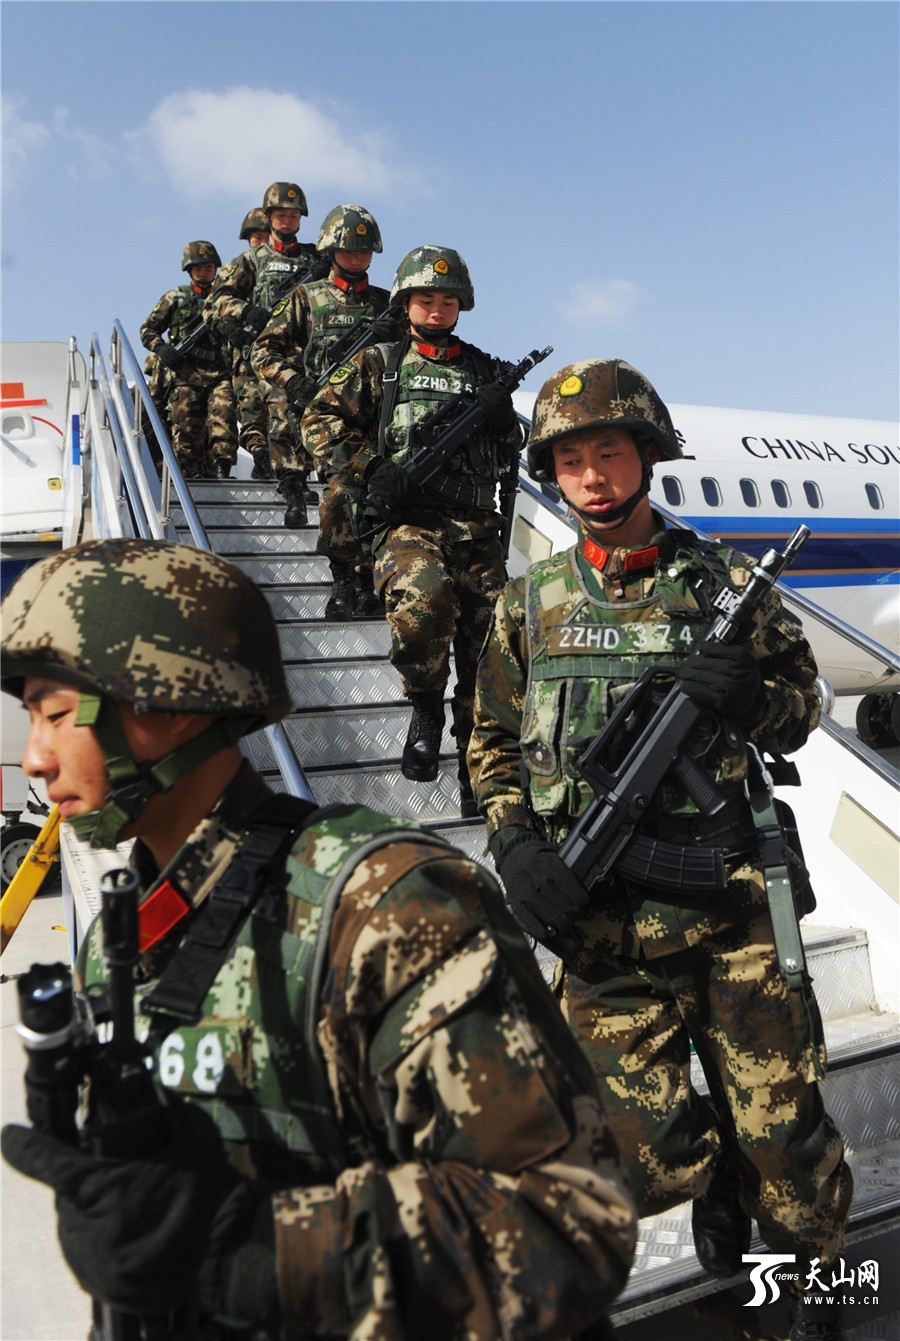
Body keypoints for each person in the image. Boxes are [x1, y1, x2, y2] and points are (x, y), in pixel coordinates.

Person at [0, 536, 637, 1341]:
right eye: (31, 718)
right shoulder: (126, 937)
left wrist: (245, 1248)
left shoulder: (382, 904)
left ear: (171, 702)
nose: (33, 757)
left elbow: (569, 1217)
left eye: (58, 715)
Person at [467, 359, 853, 1341]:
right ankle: (724, 1170)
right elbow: (493, 743)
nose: (591, 477)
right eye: (569, 461)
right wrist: (514, 845)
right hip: (607, 942)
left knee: (792, 1152)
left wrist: (749, 700)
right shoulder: (529, 605)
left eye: (608, 452)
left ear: (646, 458)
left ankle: (805, 1299)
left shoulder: (723, 583)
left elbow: (800, 715)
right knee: (628, 1163)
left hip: (735, 922)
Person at [302, 245, 524, 815]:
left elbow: (507, 451)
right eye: (427, 299)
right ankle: (425, 705)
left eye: (448, 301)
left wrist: (504, 421)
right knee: (424, 601)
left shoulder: (481, 370)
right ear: (406, 301)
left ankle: (479, 768)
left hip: (476, 528)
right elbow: (318, 420)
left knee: (491, 652)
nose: (437, 309)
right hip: (409, 525)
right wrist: (371, 469)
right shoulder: (381, 363)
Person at [253, 204, 401, 618]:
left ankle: (369, 582)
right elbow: (263, 349)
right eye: (348, 250)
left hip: (375, 420)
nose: (356, 258)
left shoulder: (385, 305)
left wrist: (399, 339)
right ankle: (343, 582)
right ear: (331, 250)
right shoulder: (307, 297)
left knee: (370, 501)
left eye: (364, 251)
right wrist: (293, 381)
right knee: (337, 500)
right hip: (325, 418)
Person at [204, 182, 329, 521]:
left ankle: (301, 477)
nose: (287, 220)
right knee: (280, 414)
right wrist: (247, 313)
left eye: (293, 215)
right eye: (280, 214)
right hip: (271, 354)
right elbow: (219, 299)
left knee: (312, 417)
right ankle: (292, 486)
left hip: (313, 354)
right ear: (269, 217)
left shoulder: (315, 258)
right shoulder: (252, 258)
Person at [139, 241, 237, 480]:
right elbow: (148, 329)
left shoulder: (225, 299)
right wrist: (162, 349)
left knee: (223, 418)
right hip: (185, 376)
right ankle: (188, 479)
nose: (204, 273)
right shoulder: (175, 298)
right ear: (189, 271)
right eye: (198, 269)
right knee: (186, 432)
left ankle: (224, 468)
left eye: (208, 268)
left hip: (219, 374)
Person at [233, 207, 275, 479]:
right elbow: (217, 306)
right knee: (251, 414)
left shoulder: (287, 265)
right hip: (247, 355)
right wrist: (235, 324)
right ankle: (261, 458)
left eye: (264, 235)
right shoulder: (243, 266)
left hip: (280, 354)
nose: (260, 242)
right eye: (255, 237)